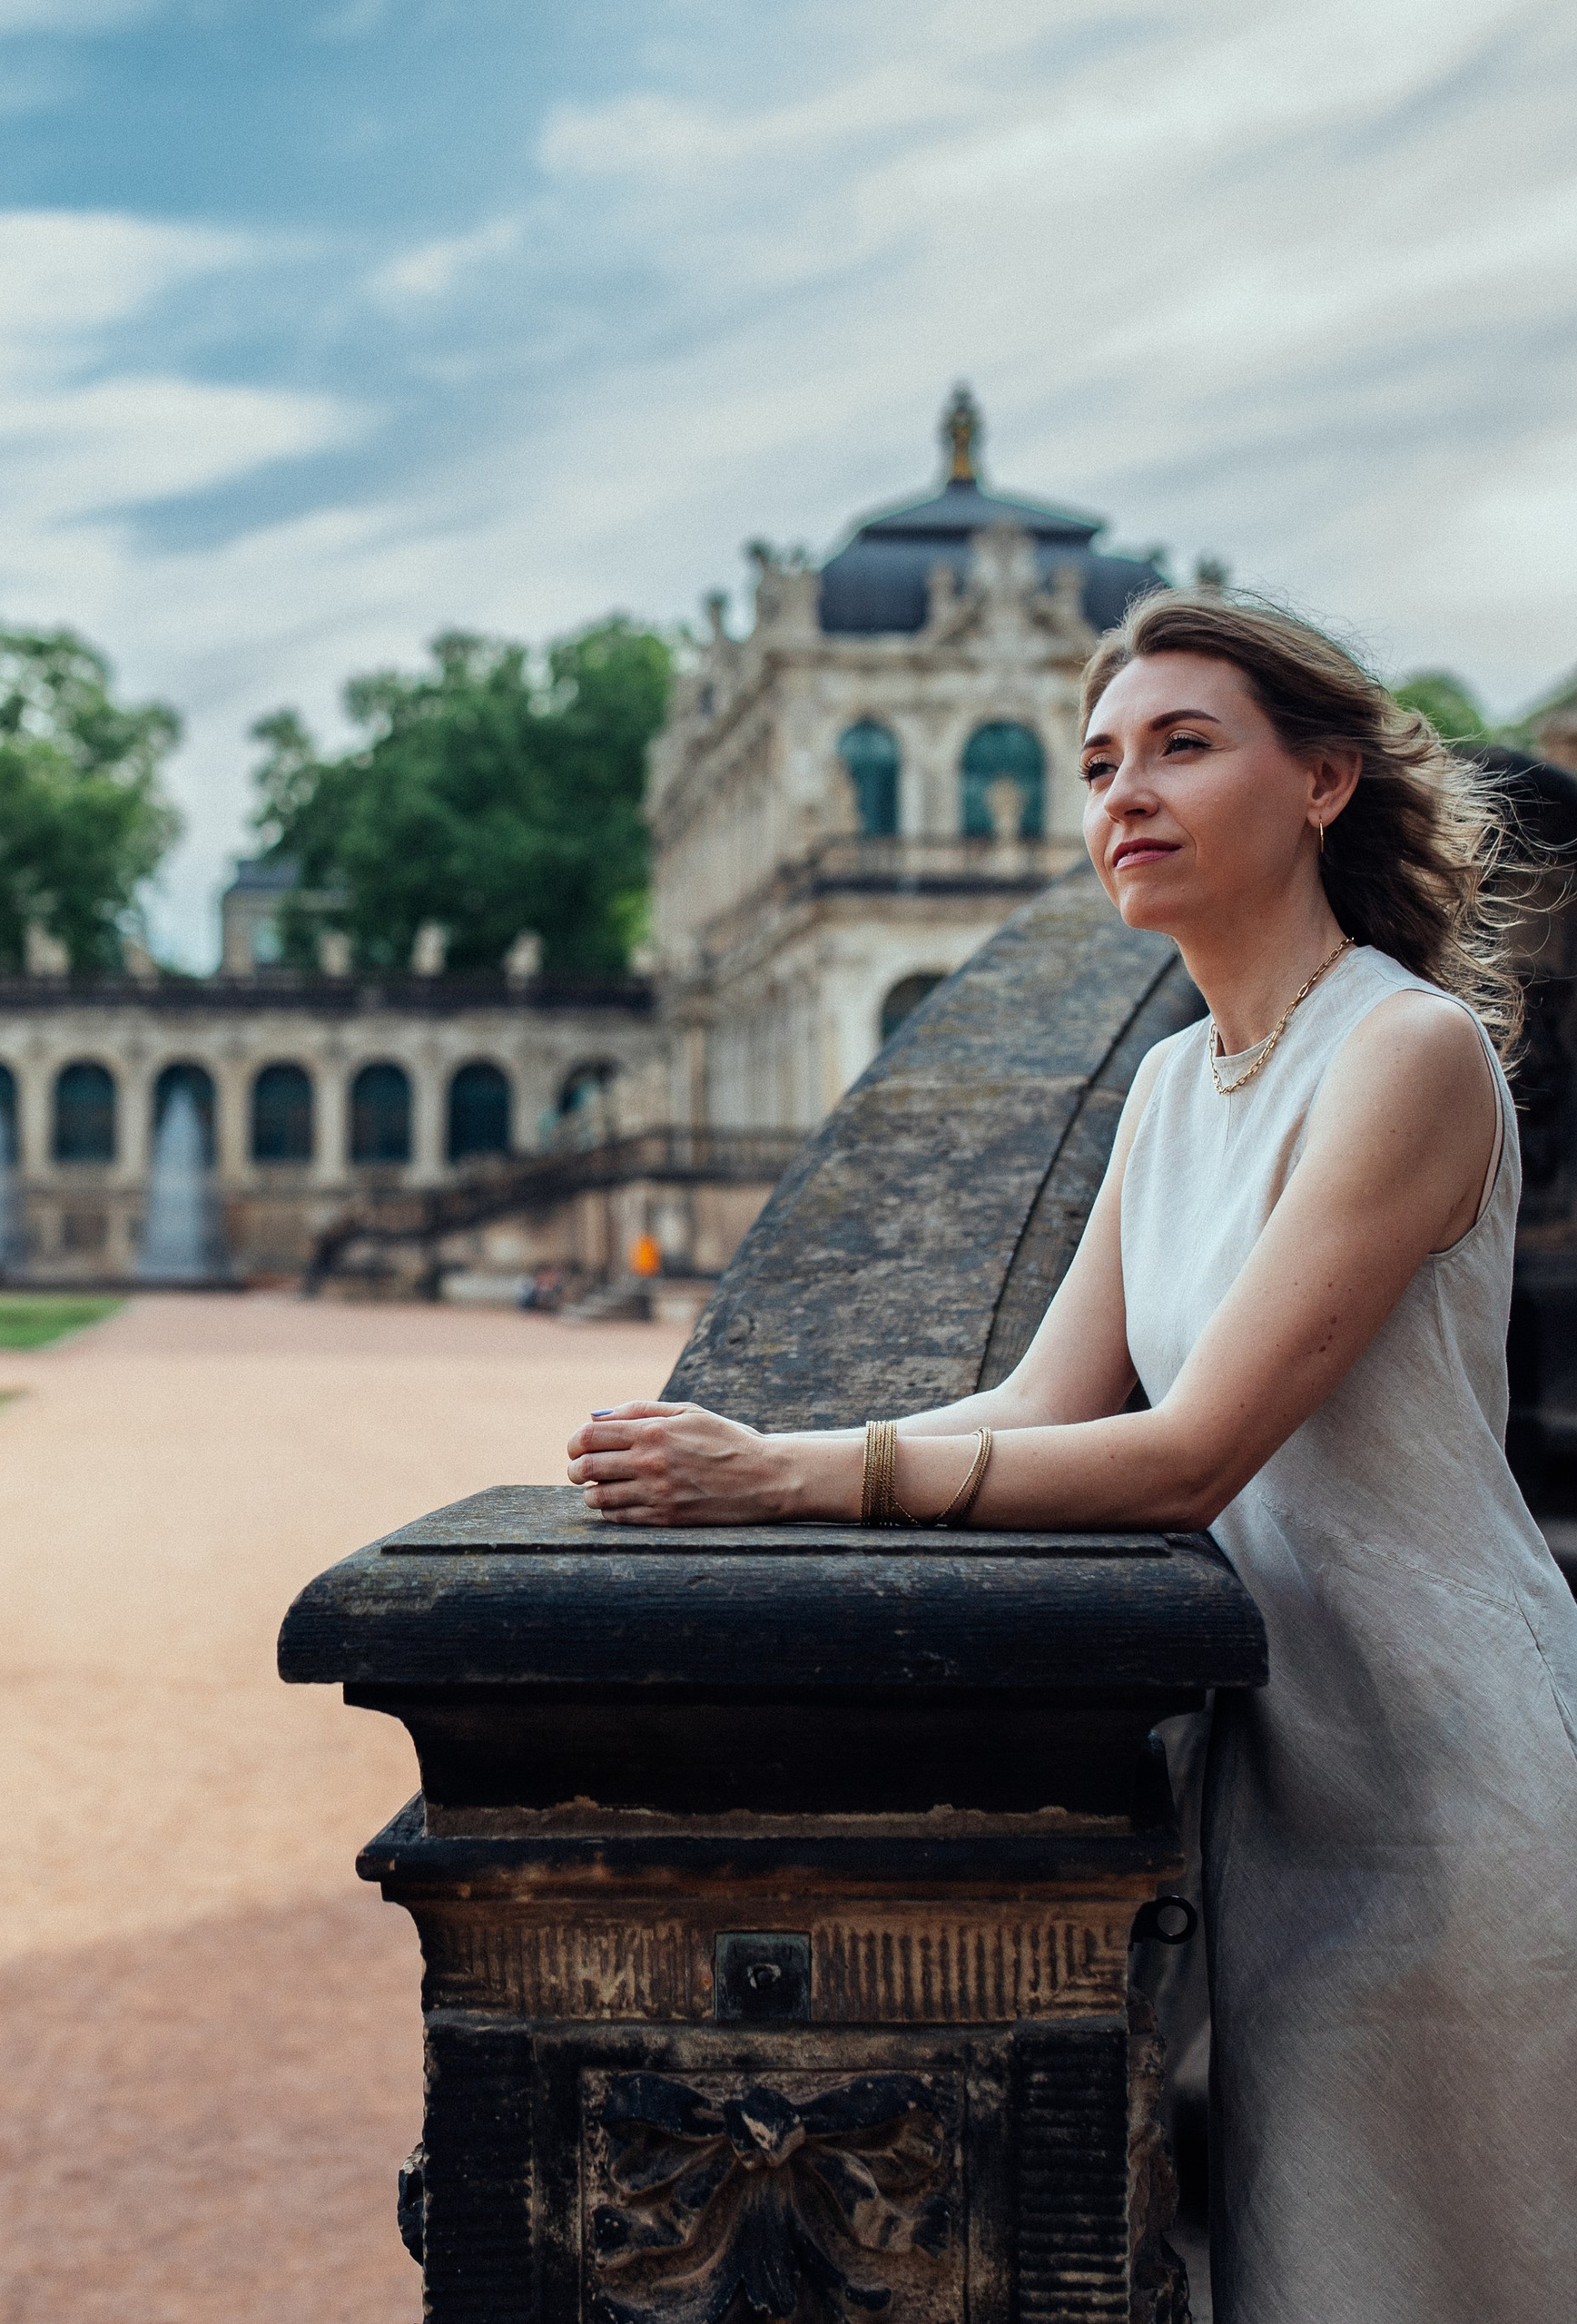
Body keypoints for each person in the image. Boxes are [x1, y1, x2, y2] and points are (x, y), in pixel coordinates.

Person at [567, 587, 1577, 2322]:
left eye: (1186, 747)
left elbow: (1181, 1458)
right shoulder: (1178, 1083)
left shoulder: (1404, 1052)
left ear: (1325, 781)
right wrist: (749, 1443)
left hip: (1441, 1773)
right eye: (1101, 761)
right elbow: (1039, 1403)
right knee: (1303, 2272)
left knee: (1446, 2278)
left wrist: (796, 1486)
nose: (1126, 793)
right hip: (1279, 1776)